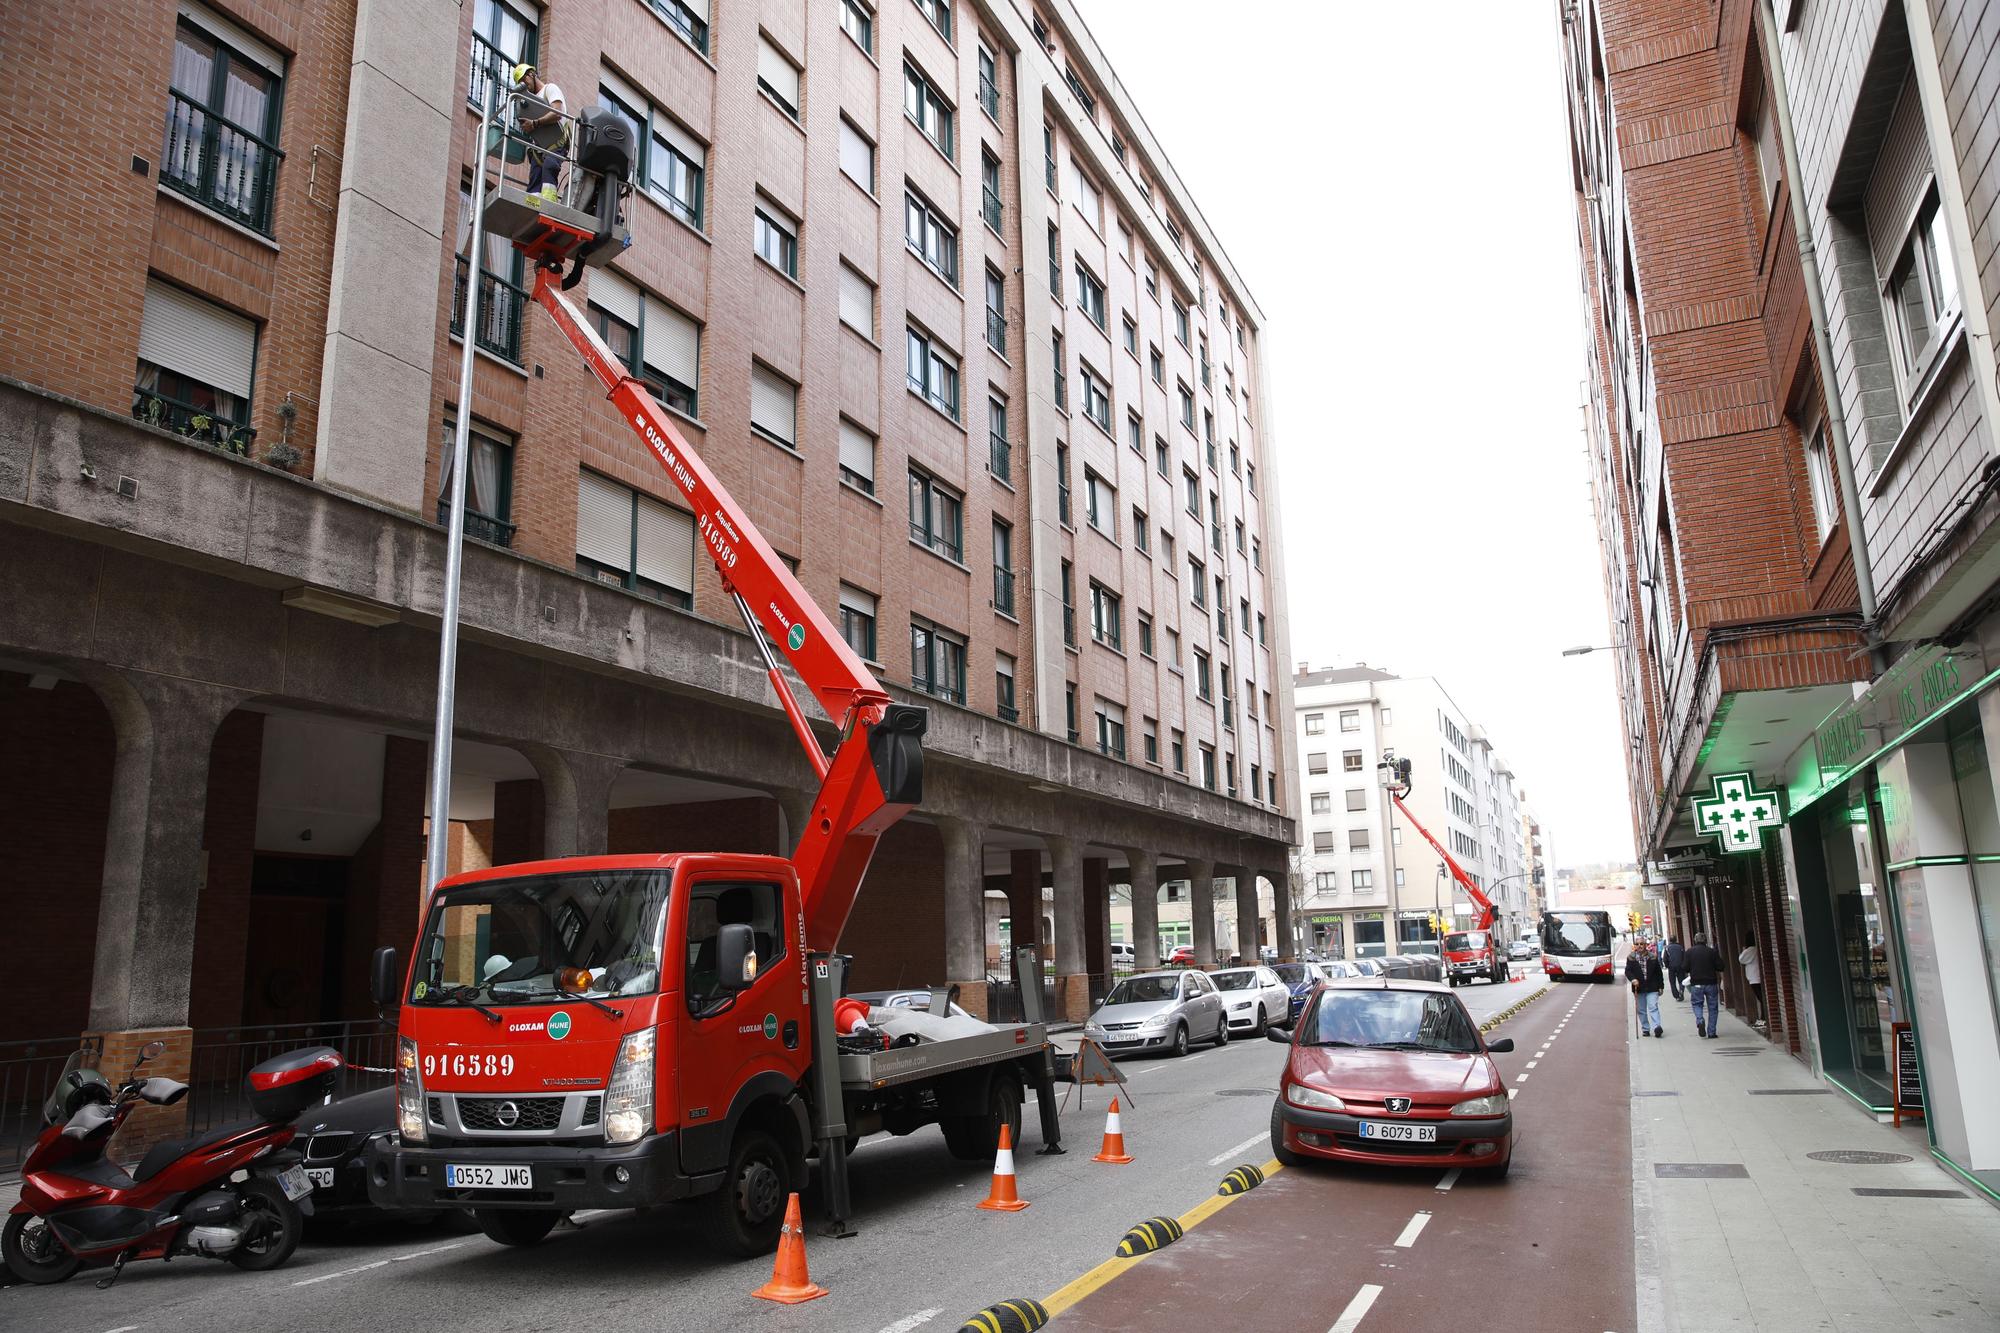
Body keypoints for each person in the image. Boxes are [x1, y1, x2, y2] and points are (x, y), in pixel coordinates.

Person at [512, 63, 569, 203]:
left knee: (550, 166)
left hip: (556, 141)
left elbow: (557, 113)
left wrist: (535, 123)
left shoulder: (550, 89)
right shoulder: (529, 100)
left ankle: (549, 203)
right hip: (539, 147)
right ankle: (533, 206)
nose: (525, 85)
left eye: (524, 81)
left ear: (531, 74)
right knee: (535, 177)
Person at [1683, 932, 1724, 1038]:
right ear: (1705, 941)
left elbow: (1685, 968)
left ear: (1695, 940)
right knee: (1713, 1008)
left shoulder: (1689, 952)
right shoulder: (1712, 952)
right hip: (1711, 983)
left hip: (1696, 983)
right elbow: (1720, 966)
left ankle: (1700, 1020)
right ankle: (1711, 1032)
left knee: (1697, 1004)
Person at [1625, 938, 1664, 1037]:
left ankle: (1657, 1027)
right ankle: (1645, 1028)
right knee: (1641, 1010)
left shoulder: (1653, 957)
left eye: (1641, 944)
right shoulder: (1631, 958)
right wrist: (1633, 979)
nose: (1639, 946)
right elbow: (1628, 971)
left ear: (1645, 945)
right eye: (1637, 944)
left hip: (1652, 987)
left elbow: (1659, 973)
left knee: (1653, 1007)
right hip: (1639, 988)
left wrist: (1661, 986)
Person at [1740, 934, 1765, 1029]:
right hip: (1757, 976)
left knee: (1761, 998)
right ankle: (1763, 1018)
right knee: (1762, 998)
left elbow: (1741, 959)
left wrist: (1743, 950)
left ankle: (1763, 1019)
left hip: (1754, 978)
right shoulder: (1756, 949)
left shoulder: (1750, 950)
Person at [1661, 935, 1686, 1002]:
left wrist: (1667, 965)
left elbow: (1664, 958)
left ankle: (1676, 995)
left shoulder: (1667, 948)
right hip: (1680, 966)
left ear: (1669, 940)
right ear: (1676, 939)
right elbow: (1684, 956)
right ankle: (1681, 991)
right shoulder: (1680, 947)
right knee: (1681, 980)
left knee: (1672, 982)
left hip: (1671, 967)